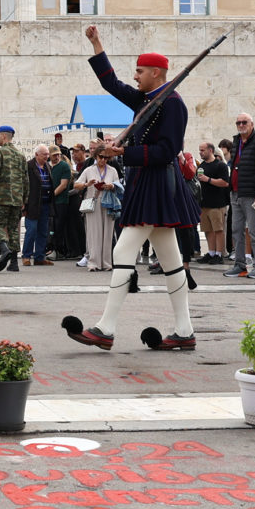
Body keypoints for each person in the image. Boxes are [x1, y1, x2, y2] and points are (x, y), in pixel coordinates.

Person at [63, 36, 199, 352]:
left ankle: (106, 328)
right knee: (172, 260)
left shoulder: (174, 103)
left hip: (158, 186)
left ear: (156, 73)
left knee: (123, 253)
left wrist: (123, 151)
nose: (134, 76)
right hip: (147, 185)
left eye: (139, 71)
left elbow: (167, 151)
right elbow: (111, 83)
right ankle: (184, 331)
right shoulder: (145, 100)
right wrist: (97, 46)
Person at [223, 111, 255, 280]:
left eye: (244, 122)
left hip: (252, 194)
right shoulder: (237, 142)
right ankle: (240, 264)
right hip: (236, 192)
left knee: (254, 230)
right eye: (238, 123)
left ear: (252, 124)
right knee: (236, 230)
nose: (241, 125)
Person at [0, 126, 28, 271]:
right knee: (14, 229)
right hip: (16, 199)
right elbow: (25, 180)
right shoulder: (21, 155)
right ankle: (14, 263)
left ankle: (4, 248)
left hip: (1, 199)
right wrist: (24, 199)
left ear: (3, 136)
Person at [75, 140, 122, 272]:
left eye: (106, 157)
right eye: (101, 157)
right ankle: (93, 262)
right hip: (93, 201)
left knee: (108, 233)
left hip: (108, 202)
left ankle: (106, 263)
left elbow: (119, 186)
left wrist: (111, 185)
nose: (103, 160)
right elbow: (76, 185)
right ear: (95, 156)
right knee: (93, 233)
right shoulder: (89, 170)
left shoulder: (112, 170)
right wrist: (87, 184)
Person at [195, 142, 230, 262]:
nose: (200, 152)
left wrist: (208, 179)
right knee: (207, 229)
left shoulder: (220, 165)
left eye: (203, 150)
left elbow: (225, 183)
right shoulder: (201, 166)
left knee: (218, 230)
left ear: (210, 150)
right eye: (200, 150)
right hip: (204, 203)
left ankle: (219, 254)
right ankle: (211, 252)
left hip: (217, 203)